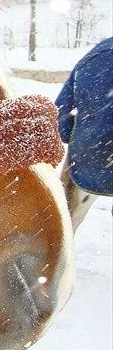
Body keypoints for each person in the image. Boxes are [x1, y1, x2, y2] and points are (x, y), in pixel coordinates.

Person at [56, 36, 113, 230]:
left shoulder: (97, 54)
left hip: (90, 153)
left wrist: (81, 134)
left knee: (68, 219)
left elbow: (61, 113)